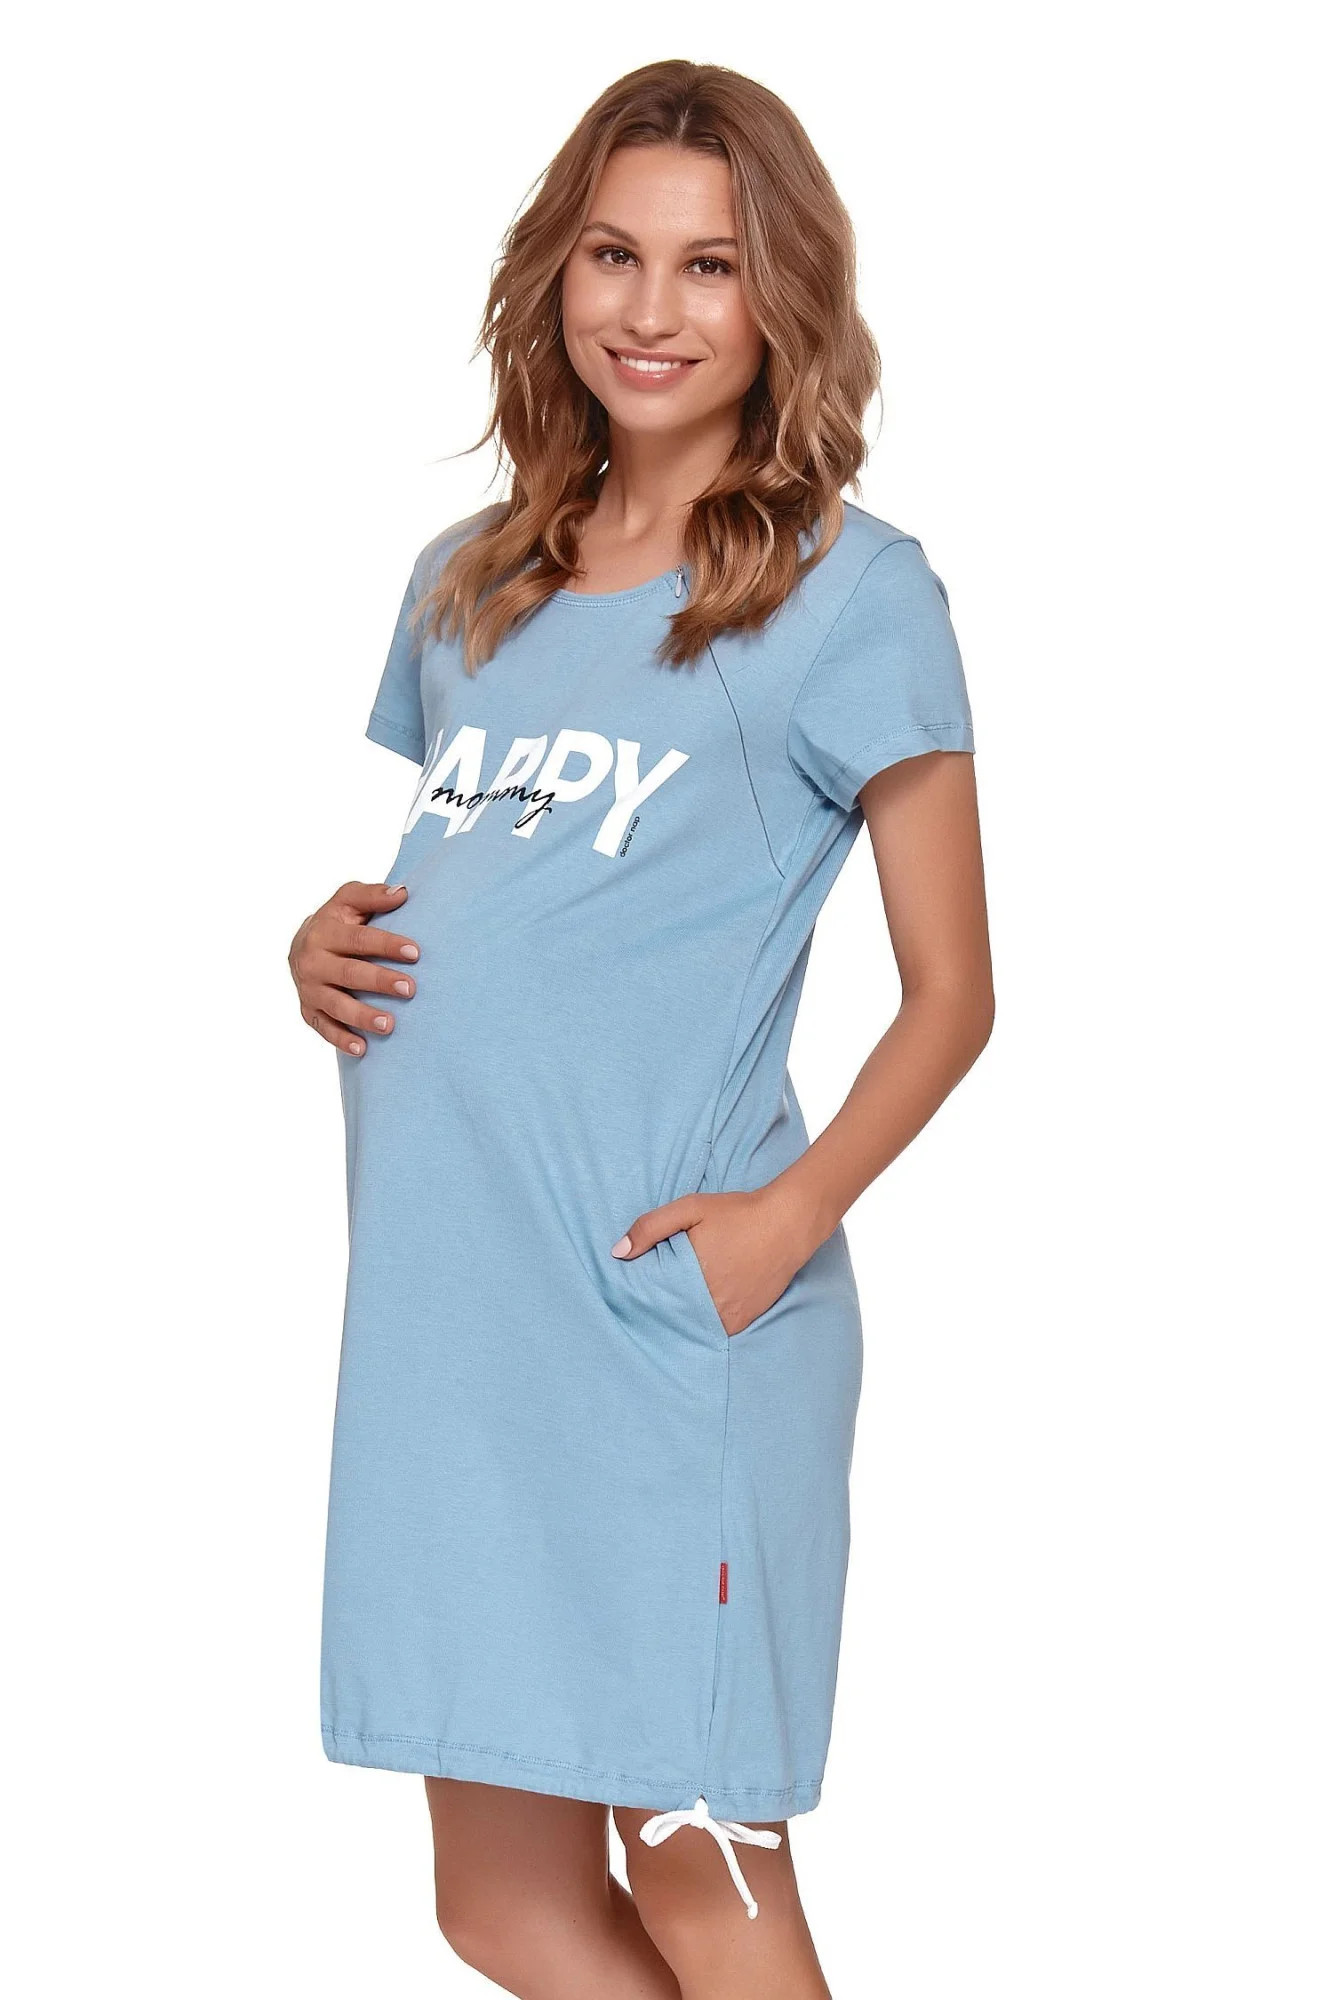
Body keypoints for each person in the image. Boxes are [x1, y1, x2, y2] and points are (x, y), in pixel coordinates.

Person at [288, 57, 993, 2000]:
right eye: (614, 254)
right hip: (455, 1335)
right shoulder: (473, 581)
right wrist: (324, 951)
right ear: (555, 271)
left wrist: (786, 1218)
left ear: (781, 298)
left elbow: (955, 993)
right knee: (498, 1902)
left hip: (666, 1327)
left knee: (702, 1879)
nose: (650, 308)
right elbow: (489, 891)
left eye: (709, 264)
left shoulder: (849, 592)